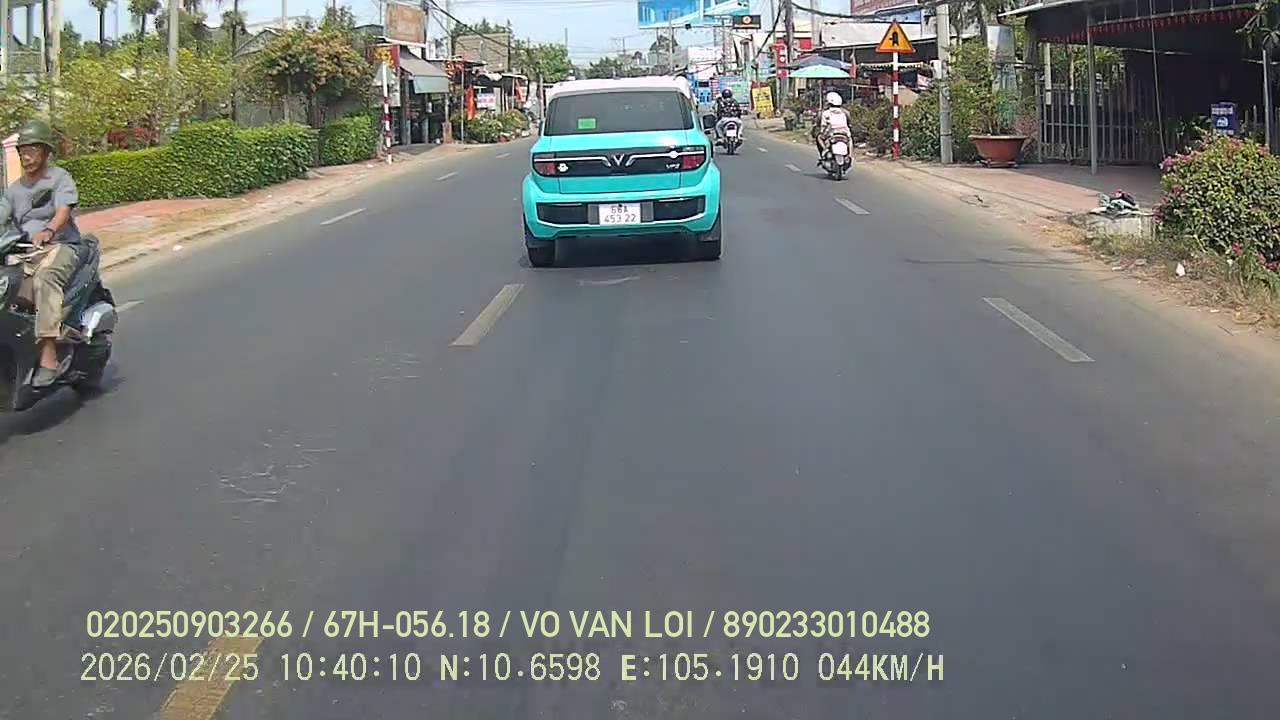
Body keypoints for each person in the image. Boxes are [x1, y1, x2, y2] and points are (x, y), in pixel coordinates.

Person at [4, 118, 83, 387]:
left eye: (32, 150)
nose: (26, 157)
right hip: (26, 251)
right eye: (22, 151)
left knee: (45, 279)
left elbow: (63, 210)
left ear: (46, 151)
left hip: (60, 246)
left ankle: (49, 358)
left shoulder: (59, 178)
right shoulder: (14, 190)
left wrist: (48, 231)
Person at [815, 91, 851, 163]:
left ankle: (825, 150)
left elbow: (822, 125)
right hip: (844, 132)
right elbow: (849, 122)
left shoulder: (825, 113)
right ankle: (849, 155)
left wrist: (821, 131)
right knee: (850, 140)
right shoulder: (845, 112)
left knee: (819, 137)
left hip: (831, 132)